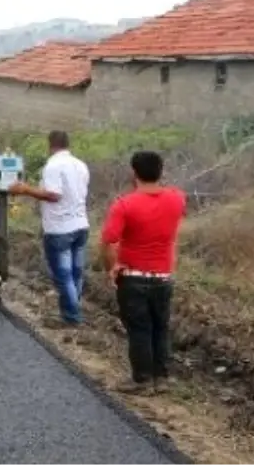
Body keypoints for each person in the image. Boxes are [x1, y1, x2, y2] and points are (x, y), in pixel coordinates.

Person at [100, 150, 186, 394]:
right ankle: (163, 377)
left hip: (133, 277)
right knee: (160, 327)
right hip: (163, 277)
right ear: (161, 172)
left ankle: (142, 379)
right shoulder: (177, 199)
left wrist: (111, 268)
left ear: (133, 173)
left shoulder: (124, 205)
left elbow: (107, 242)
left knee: (139, 328)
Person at [7, 130, 90, 326]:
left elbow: (54, 195)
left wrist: (25, 189)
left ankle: (72, 317)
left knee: (63, 275)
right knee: (76, 272)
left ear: (51, 144)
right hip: (81, 225)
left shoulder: (53, 165)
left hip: (60, 229)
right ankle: (74, 307)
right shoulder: (81, 165)